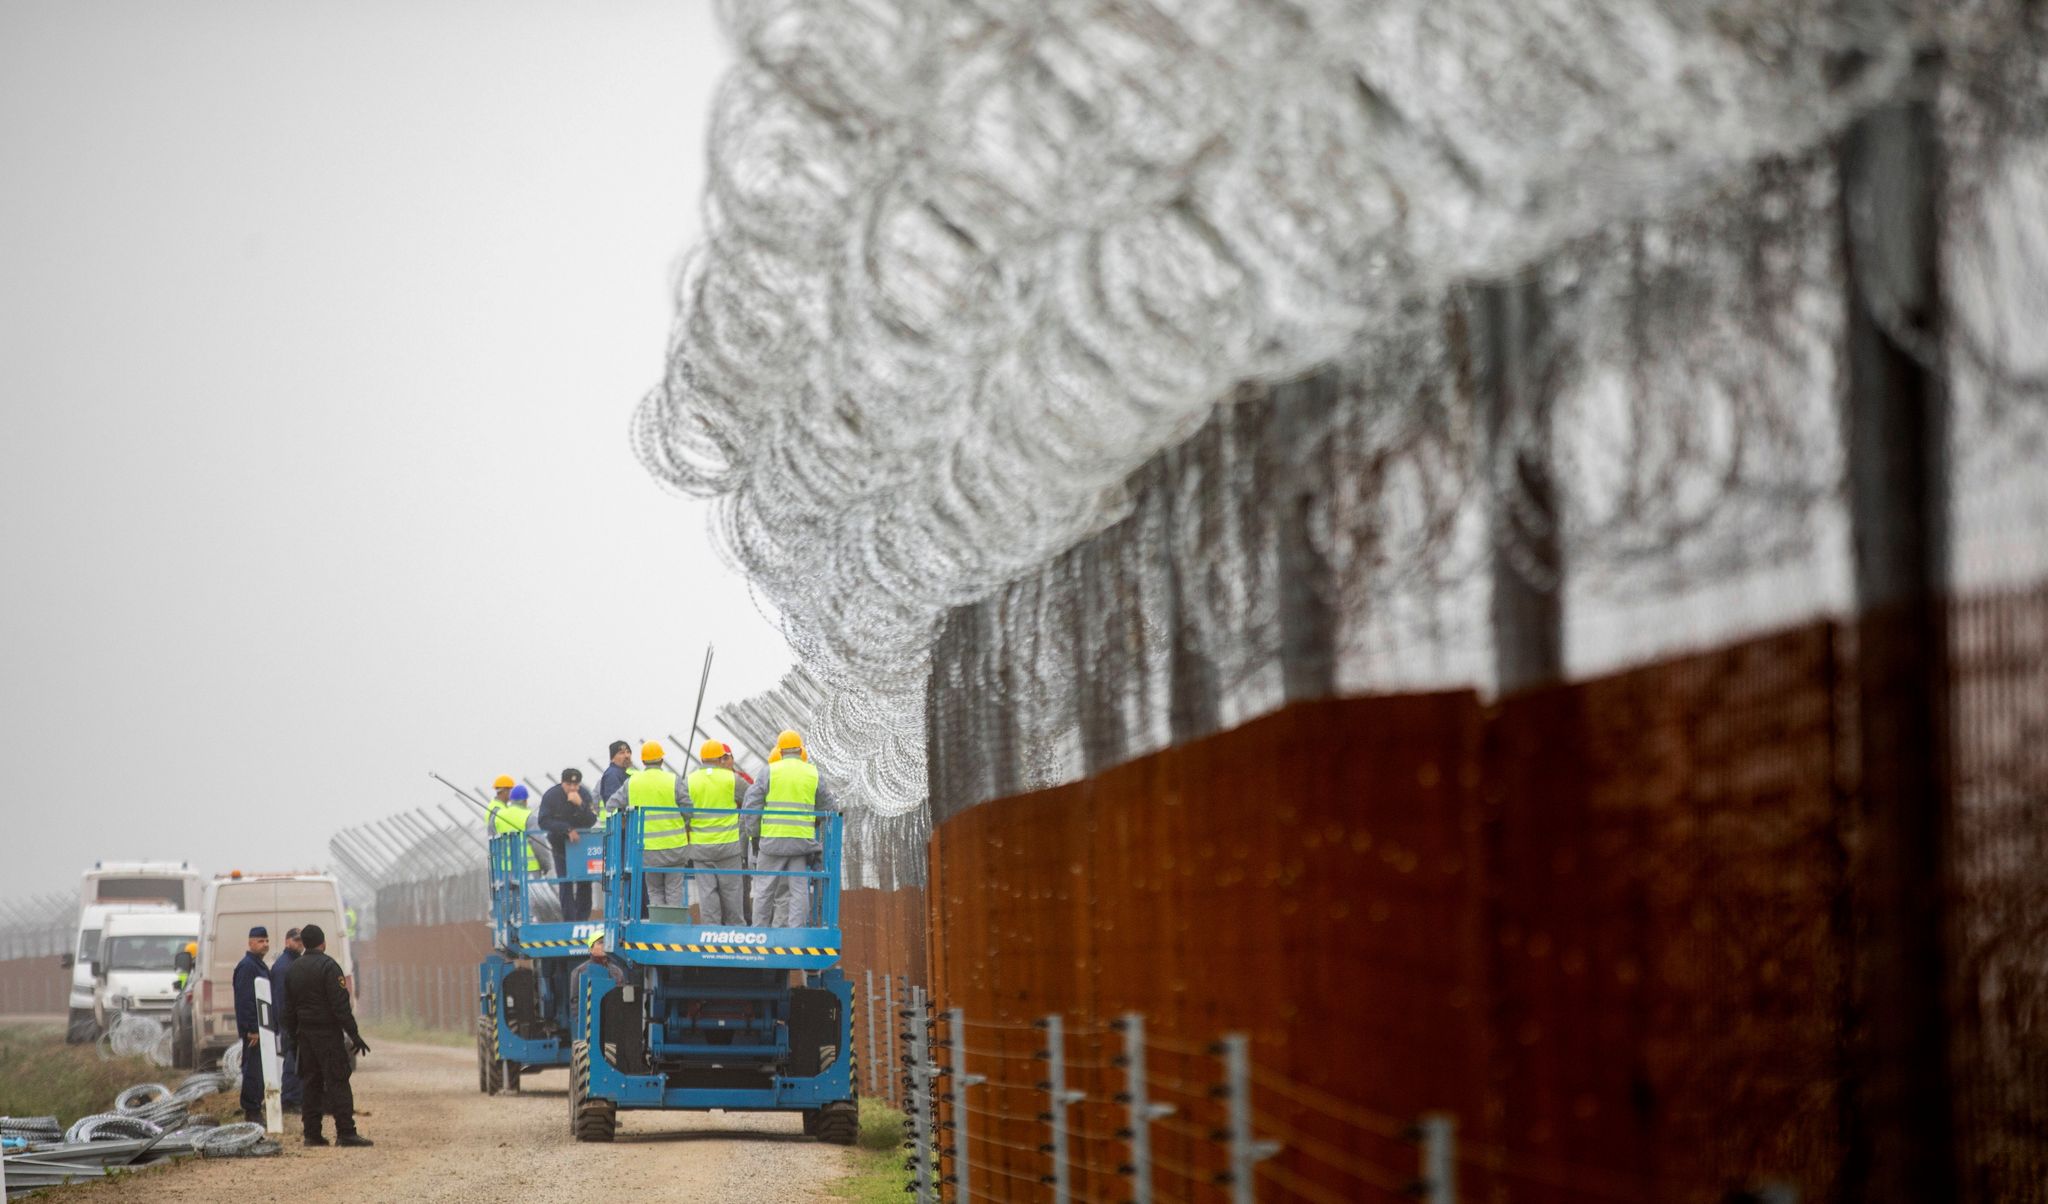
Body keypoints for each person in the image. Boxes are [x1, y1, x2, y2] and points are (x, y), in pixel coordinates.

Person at [280, 924, 371, 1147]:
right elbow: (341, 1006)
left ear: (304, 943)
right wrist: (354, 1035)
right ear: (323, 943)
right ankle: (346, 1132)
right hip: (328, 1035)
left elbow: (288, 1009)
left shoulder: (293, 969)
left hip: (305, 1035)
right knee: (338, 1081)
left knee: (310, 1083)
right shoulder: (329, 967)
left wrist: (294, 1037)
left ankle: (312, 1134)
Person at [743, 730, 842, 929]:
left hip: (772, 842)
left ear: (780, 750)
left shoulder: (769, 771)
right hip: (801, 843)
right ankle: (796, 932)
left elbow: (751, 805)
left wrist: (754, 835)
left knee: (763, 889)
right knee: (799, 890)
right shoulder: (812, 773)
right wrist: (814, 822)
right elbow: (829, 807)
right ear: (801, 750)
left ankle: (759, 932)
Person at [606, 740, 691, 915]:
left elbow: (611, 805)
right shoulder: (673, 780)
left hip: (645, 849)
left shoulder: (632, 782)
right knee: (674, 890)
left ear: (643, 761)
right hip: (674, 847)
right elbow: (689, 810)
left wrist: (625, 818)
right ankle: (673, 926)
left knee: (655, 891)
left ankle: (657, 924)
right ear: (661, 760)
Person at [685, 740, 747, 924]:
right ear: (721, 759)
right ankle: (736, 932)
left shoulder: (690, 780)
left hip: (701, 848)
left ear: (702, 759)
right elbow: (752, 798)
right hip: (728, 846)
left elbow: (683, 811)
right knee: (733, 894)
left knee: (707, 894)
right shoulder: (732, 778)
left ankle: (711, 932)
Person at [538, 768, 601, 922]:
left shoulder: (584, 794)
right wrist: (566, 829)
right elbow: (543, 821)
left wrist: (580, 805)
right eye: (569, 785)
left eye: (576, 784)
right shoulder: (551, 796)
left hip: (581, 846)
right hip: (561, 845)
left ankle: (582, 918)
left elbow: (591, 819)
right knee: (565, 882)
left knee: (584, 881)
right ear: (562, 783)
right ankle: (569, 920)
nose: (573, 788)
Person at [267, 928, 305, 1113]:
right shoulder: (284, 967)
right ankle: (290, 1099)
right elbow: (281, 999)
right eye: (296, 940)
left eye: (302, 941)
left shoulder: (293, 962)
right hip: (290, 1023)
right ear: (287, 941)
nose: (300, 944)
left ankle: (295, 1098)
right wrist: (288, 1023)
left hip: (293, 1021)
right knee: (292, 1061)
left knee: (296, 1059)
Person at [486, 776, 541, 874]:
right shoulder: (497, 809)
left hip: (506, 862)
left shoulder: (498, 806)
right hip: (505, 862)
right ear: (505, 791)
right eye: (511, 789)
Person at [569, 933, 626, 1001]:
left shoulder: (617, 971)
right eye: (600, 942)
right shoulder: (580, 971)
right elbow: (575, 1000)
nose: (604, 945)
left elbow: (621, 998)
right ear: (591, 949)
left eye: (606, 942)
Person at [598, 740, 633, 806]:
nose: (626, 756)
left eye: (628, 752)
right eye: (621, 753)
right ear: (612, 759)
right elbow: (614, 805)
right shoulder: (612, 775)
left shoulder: (624, 773)